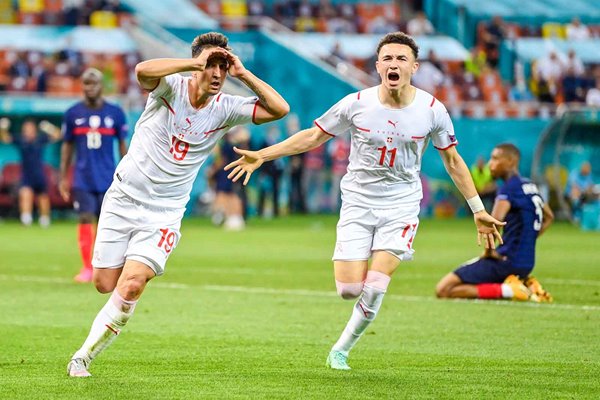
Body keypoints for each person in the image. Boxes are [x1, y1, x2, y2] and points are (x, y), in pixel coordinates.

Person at [224, 32, 504, 371]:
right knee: (349, 289)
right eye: (387, 58)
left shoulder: (432, 110)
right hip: (357, 202)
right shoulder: (356, 103)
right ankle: (354, 304)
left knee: (374, 286)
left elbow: (453, 161)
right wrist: (264, 155)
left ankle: (340, 350)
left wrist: (478, 210)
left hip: (401, 205)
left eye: (401, 59)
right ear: (377, 65)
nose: (393, 64)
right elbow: (313, 135)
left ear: (414, 67)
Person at [66, 32, 289, 378]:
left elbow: (280, 109)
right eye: (211, 64)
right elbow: (142, 71)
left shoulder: (227, 107)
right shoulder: (170, 87)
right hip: (124, 198)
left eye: (223, 66)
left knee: (132, 285)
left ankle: (82, 356)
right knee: (103, 283)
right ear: (197, 63)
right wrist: (192, 63)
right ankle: (131, 266)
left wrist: (243, 74)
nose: (217, 73)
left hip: (164, 213)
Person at [436, 143, 554, 303]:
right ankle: (524, 283)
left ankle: (509, 290)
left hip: (505, 261)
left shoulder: (508, 189)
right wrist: (529, 239)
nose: (490, 164)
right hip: (527, 262)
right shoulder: (529, 185)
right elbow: (549, 217)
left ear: (511, 161)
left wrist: (489, 253)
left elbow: (492, 224)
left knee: (444, 289)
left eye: (495, 159)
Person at [59, 68, 129, 283]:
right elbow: (67, 146)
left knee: (106, 223)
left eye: (94, 83)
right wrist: (63, 176)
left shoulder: (115, 113)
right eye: (86, 84)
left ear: (102, 86)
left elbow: (123, 145)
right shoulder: (73, 113)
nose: (90, 88)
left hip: (108, 177)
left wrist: (128, 173)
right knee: (85, 217)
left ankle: (104, 265)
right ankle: (87, 268)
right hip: (82, 176)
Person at [0, 117, 62, 227]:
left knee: (43, 197)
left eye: (30, 128)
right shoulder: (20, 140)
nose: (28, 130)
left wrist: (49, 128)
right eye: (26, 128)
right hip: (26, 174)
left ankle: (45, 220)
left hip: (39, 173)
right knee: (25, 194)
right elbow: (5, 138)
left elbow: (58, 135)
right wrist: (3, 128)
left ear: (34, 129)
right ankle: (26, 219)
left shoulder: (40, 139)